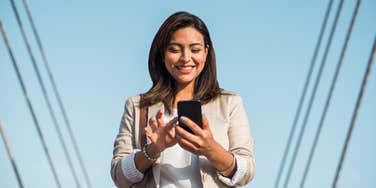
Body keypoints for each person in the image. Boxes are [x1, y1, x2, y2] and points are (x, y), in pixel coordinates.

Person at [111, 11, 255, 187]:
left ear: (206, 52)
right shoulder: (137, 106)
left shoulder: (229, 103)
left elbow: (246, 172)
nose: (186, 58)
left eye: (195, 49)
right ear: (162, 53)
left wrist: (210, 149)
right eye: (174, 49)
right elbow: (119, 176)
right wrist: (153, 149)